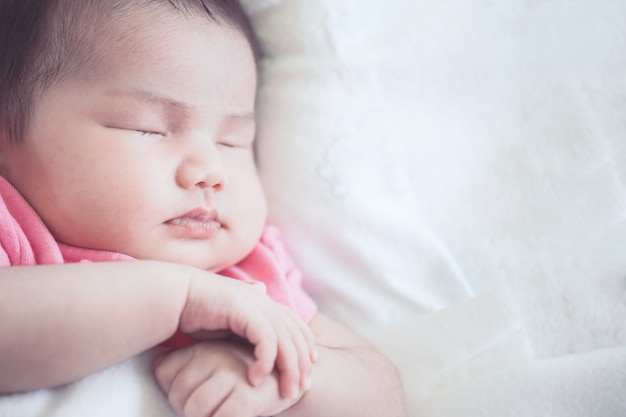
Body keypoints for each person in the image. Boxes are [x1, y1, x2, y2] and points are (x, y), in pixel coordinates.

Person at [0, 0, 407, 416]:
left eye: (232, 142)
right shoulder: (12, 230)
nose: (210, 171)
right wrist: (178, 300)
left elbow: (385, 391)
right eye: (148, 127)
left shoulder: (250, 277)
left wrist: (292, 378)